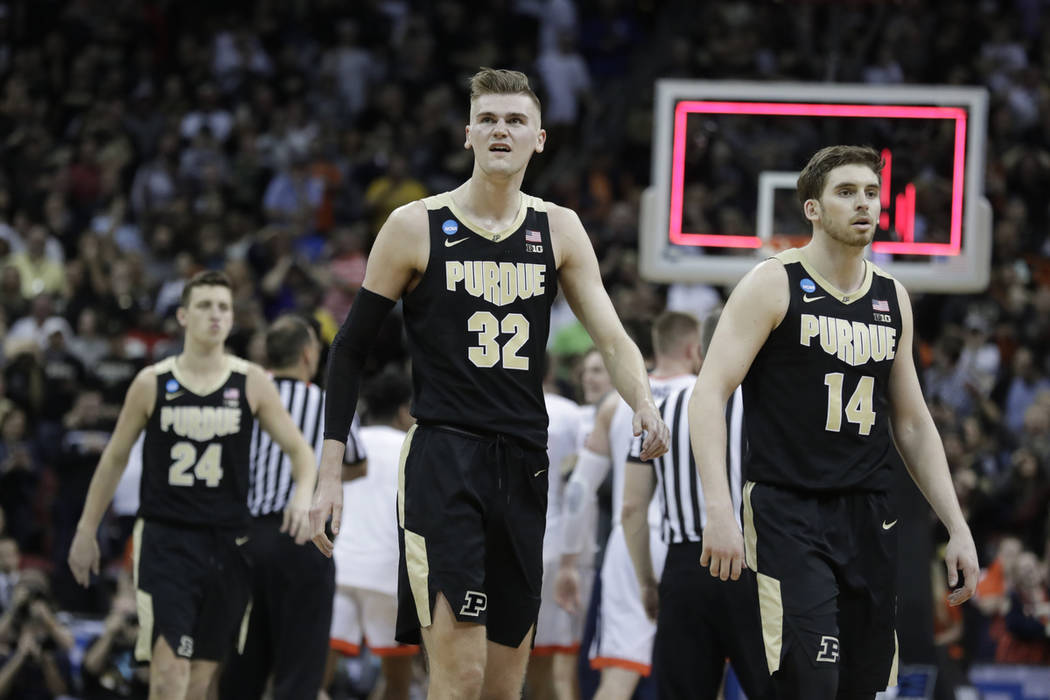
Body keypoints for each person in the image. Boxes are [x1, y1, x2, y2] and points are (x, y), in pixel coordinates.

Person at [311, 68, 669, 699]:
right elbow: (349, 349)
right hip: (444, 458)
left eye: (515, 120)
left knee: (505, 685)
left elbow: (613, 338)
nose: (501, 129)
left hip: (524, 463)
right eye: (489, 119)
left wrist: (643, 400)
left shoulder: (558, 228)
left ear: (539, 139)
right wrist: (328, 470)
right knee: (461, 676)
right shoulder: (414, 224)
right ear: (468, 134)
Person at [690, 145, 980, 700]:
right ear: (813, 209)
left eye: (871, 192)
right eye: (846, 193)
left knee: (859, 689)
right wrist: (718, 508)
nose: (863, 203)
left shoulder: (892, 297)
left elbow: (914, 424)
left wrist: (957, 527)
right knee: (811, 682)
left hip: (868, 514)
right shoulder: (771, 283)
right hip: (787, 511)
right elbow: (709, 395)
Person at [67, 270, 318, 700]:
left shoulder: (252, 381)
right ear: (183, 316)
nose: (215, 314)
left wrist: (300, 497)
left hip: (228, 543)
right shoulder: (152, 382)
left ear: (233, 317)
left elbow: (301, 452)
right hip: (167, 541)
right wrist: (85, 530)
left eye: (223, 306)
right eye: (204, 305)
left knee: (202, 680)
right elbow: (114, 458)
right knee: (169, 675)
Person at [622, 308, 774, 699]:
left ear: (700, 351)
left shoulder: (662, 408)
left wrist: (646, 582)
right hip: (759, 565)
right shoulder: (771, 404)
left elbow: (631, 507)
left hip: (686, 569)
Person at [218, 315, 366, 700]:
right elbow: (358, 462)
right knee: (298, 675)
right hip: (305, 541)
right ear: (307, 354)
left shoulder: (242, 397)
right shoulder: (324, 400)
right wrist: (319, 480)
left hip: (245, 540)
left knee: (239, 670)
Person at [555, 311, 701, 699]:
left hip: (631, 539)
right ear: (693, 348)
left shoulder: (617, 404)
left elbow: (580, 490)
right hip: (692, 537)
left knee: (619, 677)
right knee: (702, 674)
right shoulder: (709, 396)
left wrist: (568, 562)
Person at [328, 369, 418, 700]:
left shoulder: (352, 445)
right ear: (403, 410)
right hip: (387, 574)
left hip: (342, 566)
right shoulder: (413, 446)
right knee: (397, 686)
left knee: (315, 679)